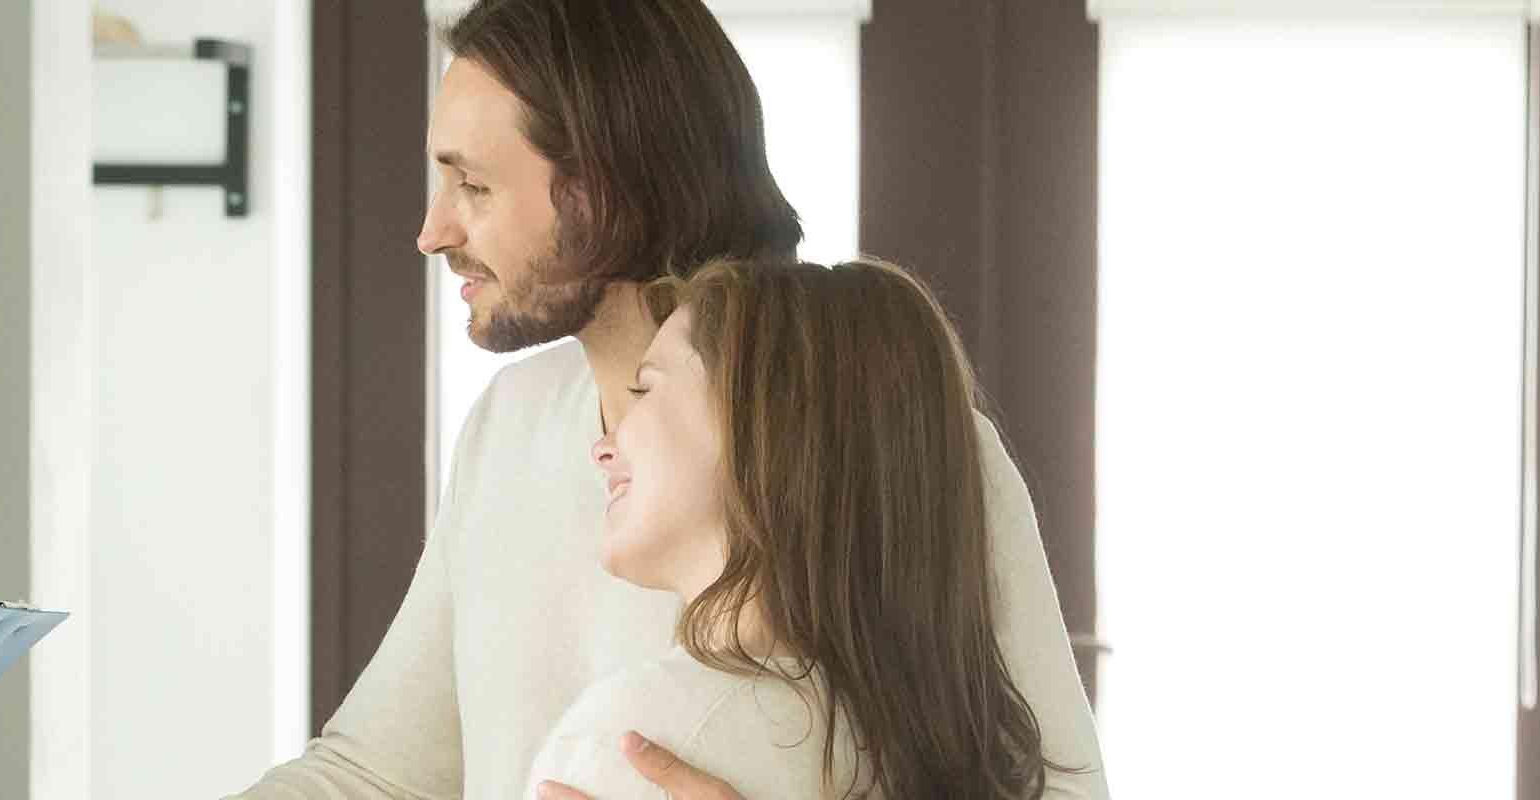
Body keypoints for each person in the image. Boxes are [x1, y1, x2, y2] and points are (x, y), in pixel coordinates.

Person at [230, 1, 1105, 797]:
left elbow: (1060, 792)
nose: (433, 232)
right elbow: (376, 773)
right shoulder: (514, 421)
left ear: (605, 186)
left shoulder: (876, 434)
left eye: (476, 186)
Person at [530, 258, 1080, 799]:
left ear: (757, 427)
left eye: (646, 389)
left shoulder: (636, 746)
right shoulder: (922, 750)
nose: (603, 446)